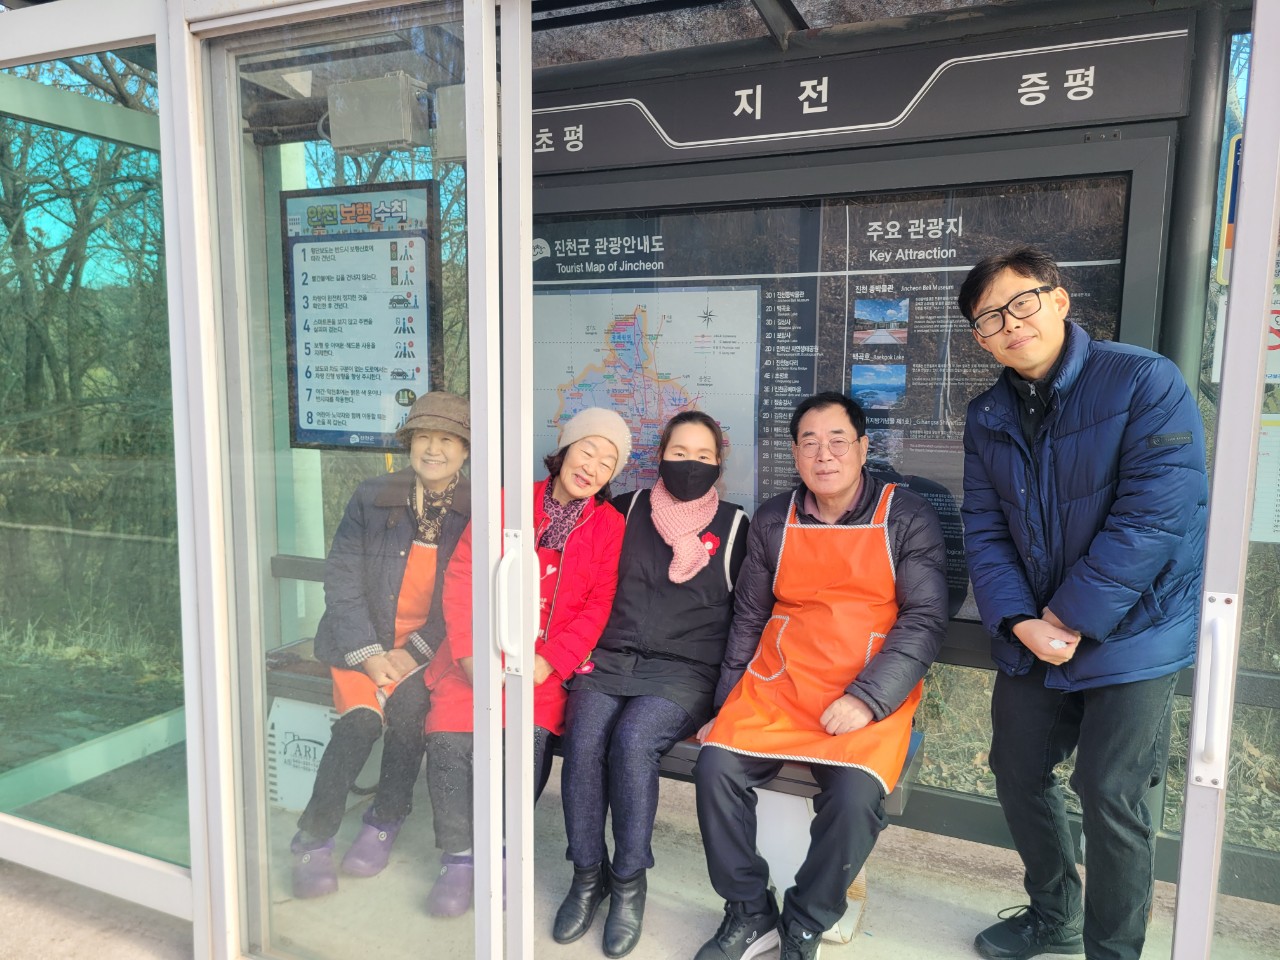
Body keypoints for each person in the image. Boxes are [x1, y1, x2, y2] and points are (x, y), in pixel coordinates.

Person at [958, 248, 1208, 960]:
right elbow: (984, 527)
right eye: (989, 319)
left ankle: (1113, 951)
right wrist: (1019, 620)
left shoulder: (1143, 380)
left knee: (1110, 793)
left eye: (1021, 304)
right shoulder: (987, 415)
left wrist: (1066, 618)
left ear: (1059, 300)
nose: (1011, 325)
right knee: (1016, 770)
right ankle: (1054, 915)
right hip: (1035, 631)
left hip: (1137, 629)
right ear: (981, 340)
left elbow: (1155, 514)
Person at [693, 391, 948, 960]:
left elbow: (925, 619)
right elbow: (750, 617)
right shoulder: (773, 518)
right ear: (795, 453)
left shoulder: (905, 516)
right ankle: (749, 910)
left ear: (863, 447)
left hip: (868, 687)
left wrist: (868, 698)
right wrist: (724, 707)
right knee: (714, 766)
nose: (824, 455)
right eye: (809, 443)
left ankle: (805, 920)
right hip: (780, 683)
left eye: (837, 441)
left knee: (856, 798)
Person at [419, 406, 631, 916]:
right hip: (477, 654)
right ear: (564, 449)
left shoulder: (609, 526)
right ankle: (459, 856)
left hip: (541, 667)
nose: (592, 468)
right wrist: (469, 653)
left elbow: (598, 605)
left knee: (526, 744)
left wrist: (550, 661)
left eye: (606, 463)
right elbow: (463, 575)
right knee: (449, 740)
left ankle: (504, 849)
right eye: (587, 451)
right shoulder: (507, 502)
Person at [554, 410, 750, 958]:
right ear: (660, 455)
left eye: (703, 456)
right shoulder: (625, 509)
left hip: (686, 671)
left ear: (719, 463)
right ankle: (586, 874)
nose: (690, 465)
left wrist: (727, 701)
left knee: (634, 739)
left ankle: (627, 881)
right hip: (611, 657)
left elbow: (748, 619)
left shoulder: (736, 527)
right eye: (679, 453)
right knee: (584, 737)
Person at [290, 391, 472, 899]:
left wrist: (413, 652)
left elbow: (465, 595)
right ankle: (312, 839)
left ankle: (384, 820)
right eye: (423, 437)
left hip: (426, 650)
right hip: (360, 641)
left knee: (411, 716)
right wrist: (368, 653)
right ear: (409, 443)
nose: (433, 449)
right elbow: (341, 578)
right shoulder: (372, 495)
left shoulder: (478, 507)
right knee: (360, 726)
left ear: (464, 450)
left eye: (447, 440)